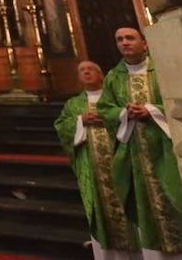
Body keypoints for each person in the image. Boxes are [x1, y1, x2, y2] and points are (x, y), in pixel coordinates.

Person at [97, 27, 182, 259]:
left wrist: (151, 111)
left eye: (130, 38)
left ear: (144, 43)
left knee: (180, 203)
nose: (124, 43)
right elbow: (104, 110)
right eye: (119, 40)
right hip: (137, 154)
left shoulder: (163, 70)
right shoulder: (114, 77)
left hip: (168, 151)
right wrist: (125, 112)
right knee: (151, 211)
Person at [55, 60, 138, 260]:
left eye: (90, 69)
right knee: (103, 213)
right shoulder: (74, 104)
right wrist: (80, 120)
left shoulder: (116, 97)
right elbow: (61, 126)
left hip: (123, 164)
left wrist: (114, 117)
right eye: (82, 71)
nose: (86, 73)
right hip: (94, 169)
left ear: (102, 75)